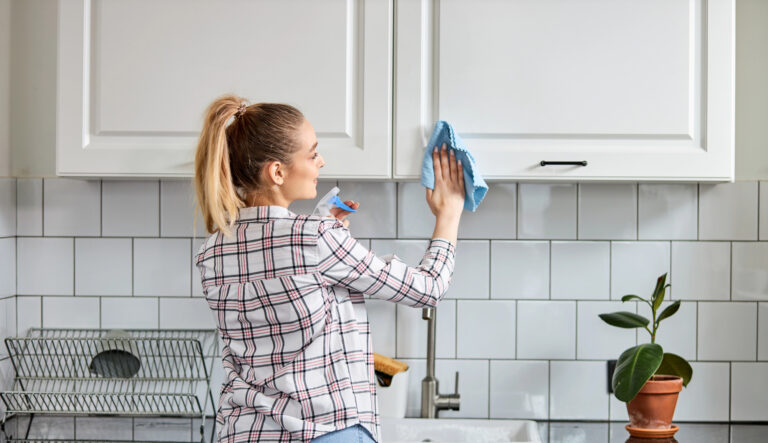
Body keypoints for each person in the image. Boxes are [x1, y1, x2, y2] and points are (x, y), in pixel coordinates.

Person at [193, 95, 465, 443]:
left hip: (244, 432)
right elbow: (427, 288)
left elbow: (278, 312)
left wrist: (322, 230)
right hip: (325, 432)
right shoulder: (317, 238)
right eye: (312, 153)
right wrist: (449, 215)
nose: (321, 161)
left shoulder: (211, 253)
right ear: (277, 172)